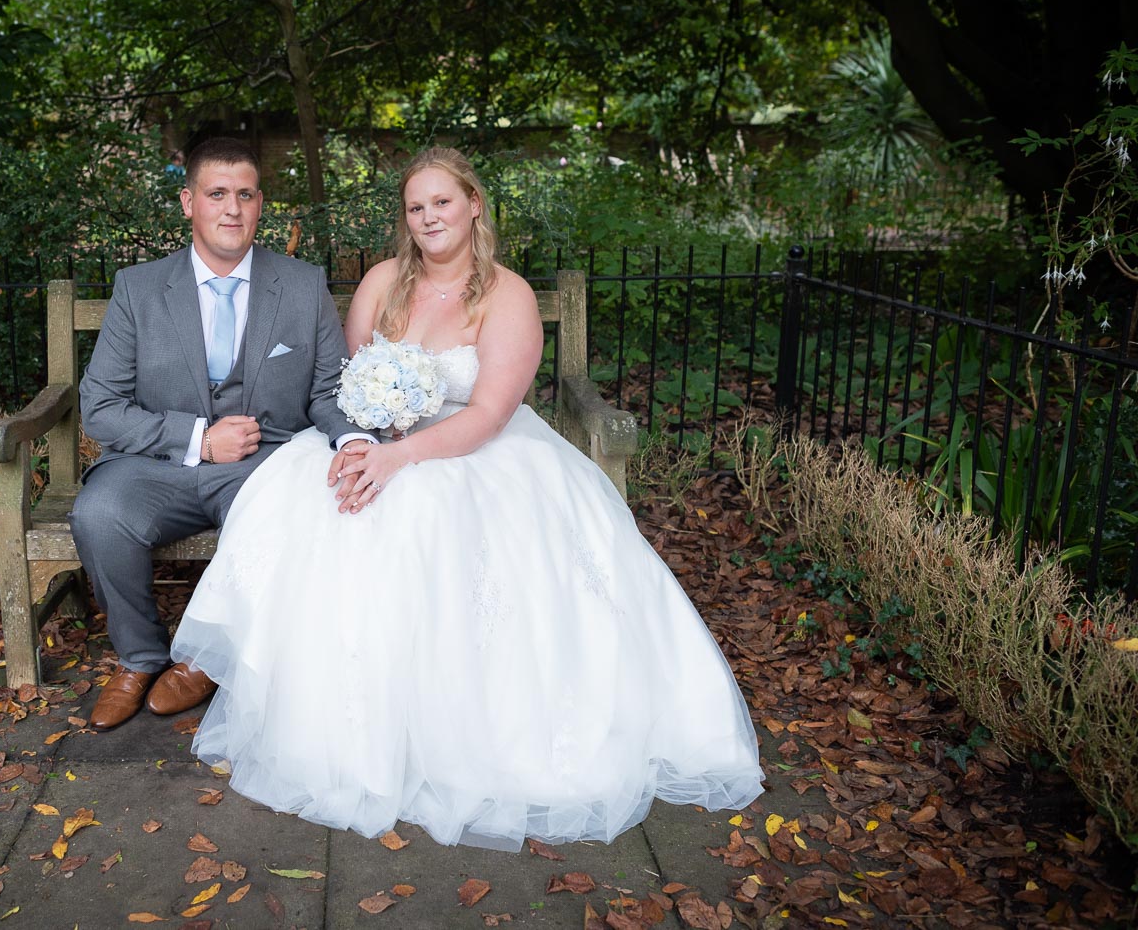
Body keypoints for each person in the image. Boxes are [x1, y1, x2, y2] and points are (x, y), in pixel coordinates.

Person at [169, 146, 765, 850]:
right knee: (306, 500)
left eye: (442, 203)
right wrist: (363, 445)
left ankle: (448, 732)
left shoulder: (505, 296)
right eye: (416, 207)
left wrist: (400, 456)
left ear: (474, 205)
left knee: (422, 519)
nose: (429, 218)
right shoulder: (383, 283)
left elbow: (486, 415)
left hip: (481, 457)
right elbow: (347, 386)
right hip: (382, 445)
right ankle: (329, 718)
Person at [72, 137, 373, 731]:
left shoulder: (304, 284)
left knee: (287, 516)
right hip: (157, 464)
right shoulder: (138, 288)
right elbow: (100, 407)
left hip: (263, 465)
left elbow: (328, 391)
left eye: (244, 194)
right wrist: (198, 440)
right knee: (99, 513)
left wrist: (351, 439)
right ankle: (139, 658)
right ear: (189, 202)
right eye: (216, 194)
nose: (231, 208)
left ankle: (210, 660)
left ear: (260, 204)